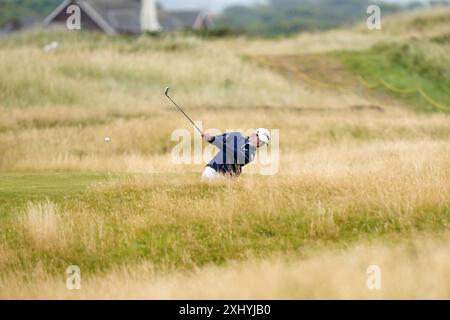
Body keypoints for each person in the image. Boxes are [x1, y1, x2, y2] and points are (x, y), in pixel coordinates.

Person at [201, 128, 271, 180]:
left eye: (263, 143)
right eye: (260, 140)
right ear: (254, 134)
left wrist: (213, 140)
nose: (260, 143)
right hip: (211, 169)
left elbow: (233, 153)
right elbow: (218, 138)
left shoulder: (251, 155)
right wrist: (208, 138)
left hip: (223, 177)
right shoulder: (236, 135)